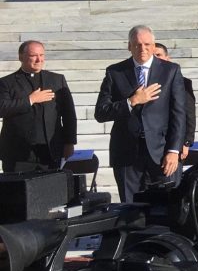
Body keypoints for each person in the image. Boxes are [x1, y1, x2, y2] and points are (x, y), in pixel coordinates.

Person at [95, 25, 187, 202]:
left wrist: (174, 150)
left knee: (167, 206)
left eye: (147, 44)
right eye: (137, 45)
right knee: (130, 209)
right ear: (129, 46)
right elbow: (101, 113)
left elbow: (179, 114)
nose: (142, 49)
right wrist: (132, 101)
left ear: (153, 46)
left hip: (161, 152)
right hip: (127, 154)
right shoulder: (115, 72)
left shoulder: (171, 71)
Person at [0, 40, 77, 172]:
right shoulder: (6, 82)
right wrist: (30, 100)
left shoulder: (57, 80)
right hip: (18, 155)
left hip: (50, 152)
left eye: (41, 55)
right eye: (33, 55)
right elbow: (2, 108)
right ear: (21, 57)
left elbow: (69, 114)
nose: (38, 59)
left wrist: (70, 142)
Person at [153, 43, 196, 161]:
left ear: (167, 58)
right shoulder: (143, 82)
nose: (156, 58)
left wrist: (186, 142)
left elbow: (189, 113)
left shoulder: (182, 82)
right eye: (153, 56)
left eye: (159, 55)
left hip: (173, 141)